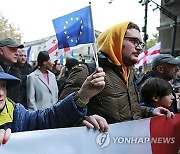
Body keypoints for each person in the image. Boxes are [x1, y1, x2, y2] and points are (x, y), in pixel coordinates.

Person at [59, 21, 174, 124]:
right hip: (100, 144)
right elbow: (61, 113)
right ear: (115, 41)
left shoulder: (128, 73)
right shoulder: (87, 72)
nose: (139, 48)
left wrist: (150, 111)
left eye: (140, 43)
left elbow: (126, 110)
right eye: (134, 41)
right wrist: (83, 120)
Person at [0, 65, 108, 134]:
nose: (1, 93)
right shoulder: (32, 77)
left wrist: (82, 96)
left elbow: (49, 118)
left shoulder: (17, 113)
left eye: (3, 85)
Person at [0, 37, 24, 103]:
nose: (17, 53)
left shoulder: (16, 71)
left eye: (17, 50)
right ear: (1, 51)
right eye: (13, 49)